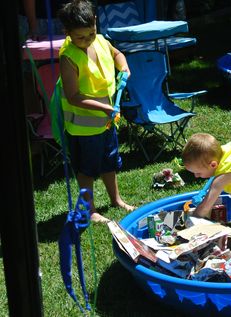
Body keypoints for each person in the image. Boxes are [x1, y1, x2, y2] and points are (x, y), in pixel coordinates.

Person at [57, 0, 134, 223]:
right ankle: (89, 210)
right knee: (87, 169)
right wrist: (106, 108)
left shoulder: (100, 41)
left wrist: (124, 67)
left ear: (96, 23)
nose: (86, 40)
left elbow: (117, 54)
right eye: (80, 37)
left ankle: (116, 199)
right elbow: (74, 96)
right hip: (84, 127)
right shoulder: (68, 57)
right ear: (68, 33)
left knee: (109, 162)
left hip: (106, 121)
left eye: (90, 33)